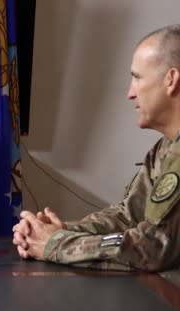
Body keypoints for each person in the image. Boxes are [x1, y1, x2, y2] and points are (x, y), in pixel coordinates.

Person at [13, 25, 180, 272]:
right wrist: (57, 231)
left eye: (137, 78)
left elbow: (154, 247)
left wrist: (56, 244)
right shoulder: (165, 148)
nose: (130, 93)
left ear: (171, 80)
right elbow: (127, 216)